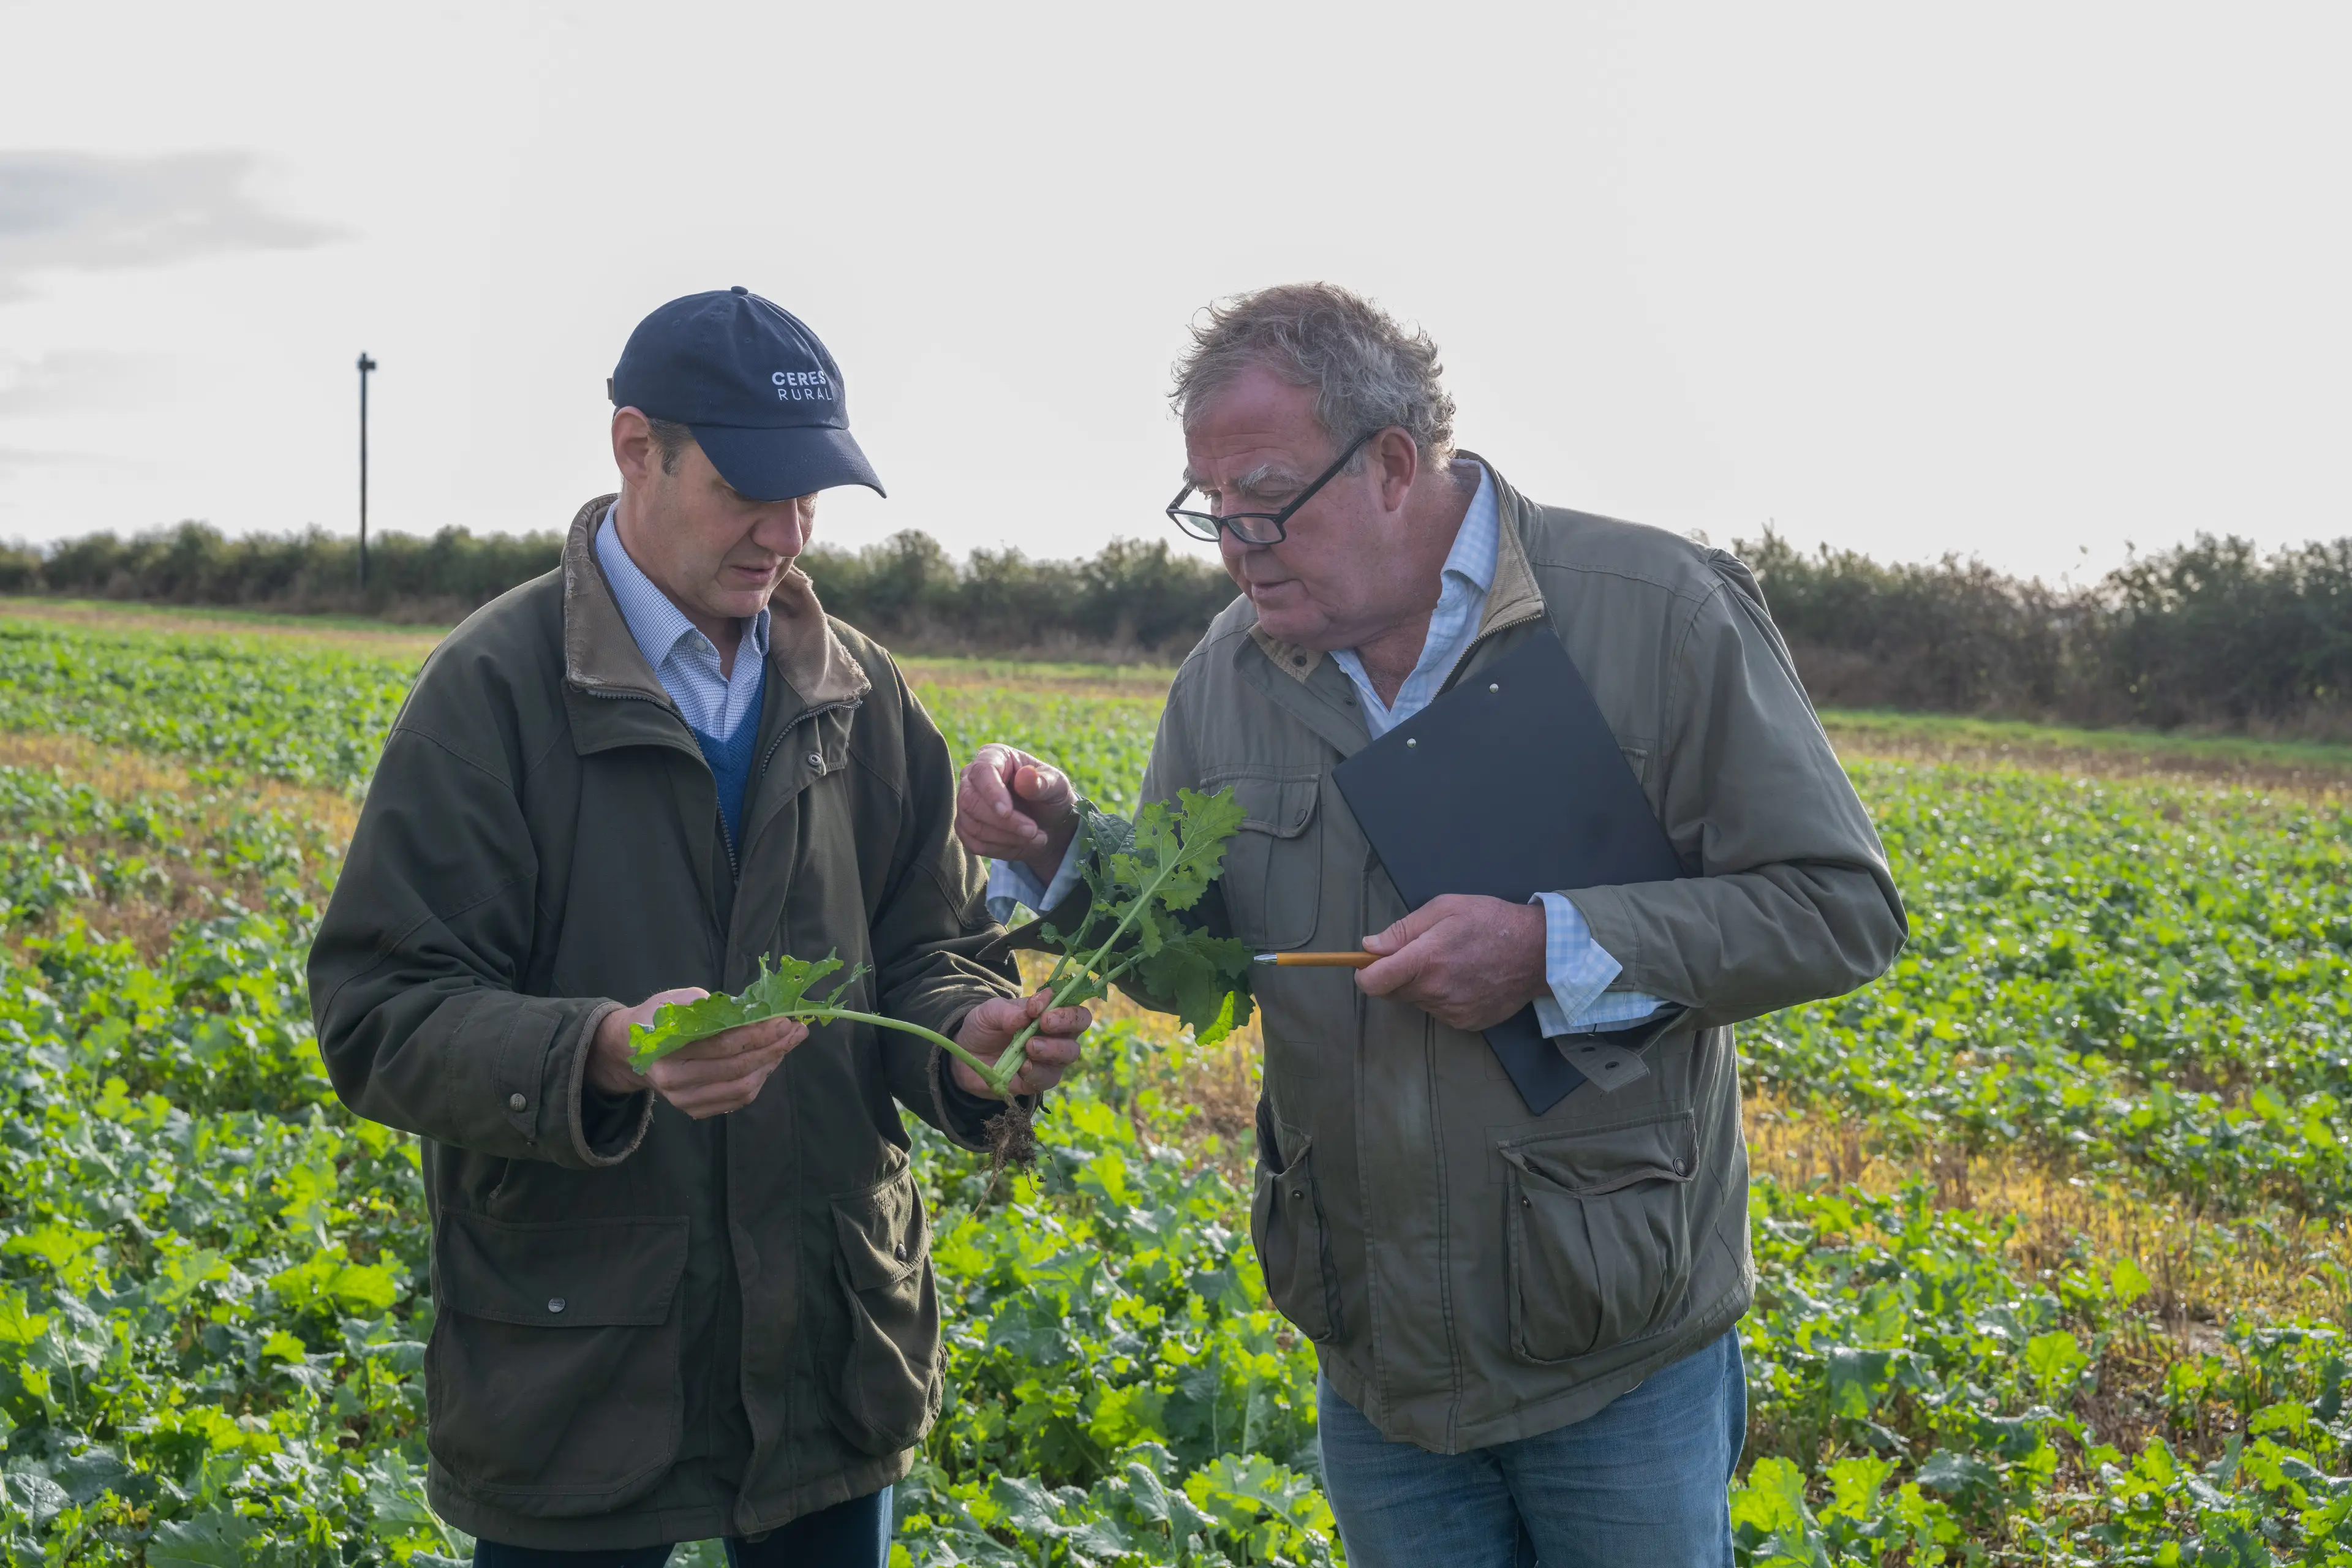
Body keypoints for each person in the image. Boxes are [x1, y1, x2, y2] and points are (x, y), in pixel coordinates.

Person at [957, 283, 1906, 1567]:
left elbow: (1836, 906)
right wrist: (1062, 843)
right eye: (1211, 505)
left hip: (1613, 1353)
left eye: (1267, 497)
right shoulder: (1226, 679)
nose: (1237, 539)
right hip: (1377, 1364)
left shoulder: (1657, 611)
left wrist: (1550, 948)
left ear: (1395, 463)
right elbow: (1193, 944)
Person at [309, 287, 1090, 1566]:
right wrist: (606, 1051)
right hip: (581, 1362)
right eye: (749, 490)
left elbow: (930, 949)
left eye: (810, 499)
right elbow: (379, 1012)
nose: (785, 534)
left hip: (830, 1352)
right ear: (636, 449)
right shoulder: (493, 690)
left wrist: (966, 1036)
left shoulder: (859, 687)